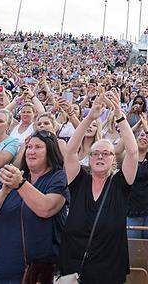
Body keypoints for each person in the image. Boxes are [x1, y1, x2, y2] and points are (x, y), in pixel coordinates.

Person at [60, 92, 138, 284]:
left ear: (113, 160)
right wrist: (90, 117)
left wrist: (119, 114)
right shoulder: (79, 180)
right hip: (74, 263)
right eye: (96, 153)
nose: (101, 157)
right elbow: (70, 151)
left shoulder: (120, 183)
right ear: (90, 157)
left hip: (110, 266)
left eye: (106, 153)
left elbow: (133, 151)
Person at [0, 131, 69, 284]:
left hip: (34, 273)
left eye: (38, 147)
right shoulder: (14, 175)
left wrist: (20, 185)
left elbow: (46, 209)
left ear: (50, 151)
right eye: (29, 147)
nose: (31, 151)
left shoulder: (57, 178)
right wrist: (4, 191)